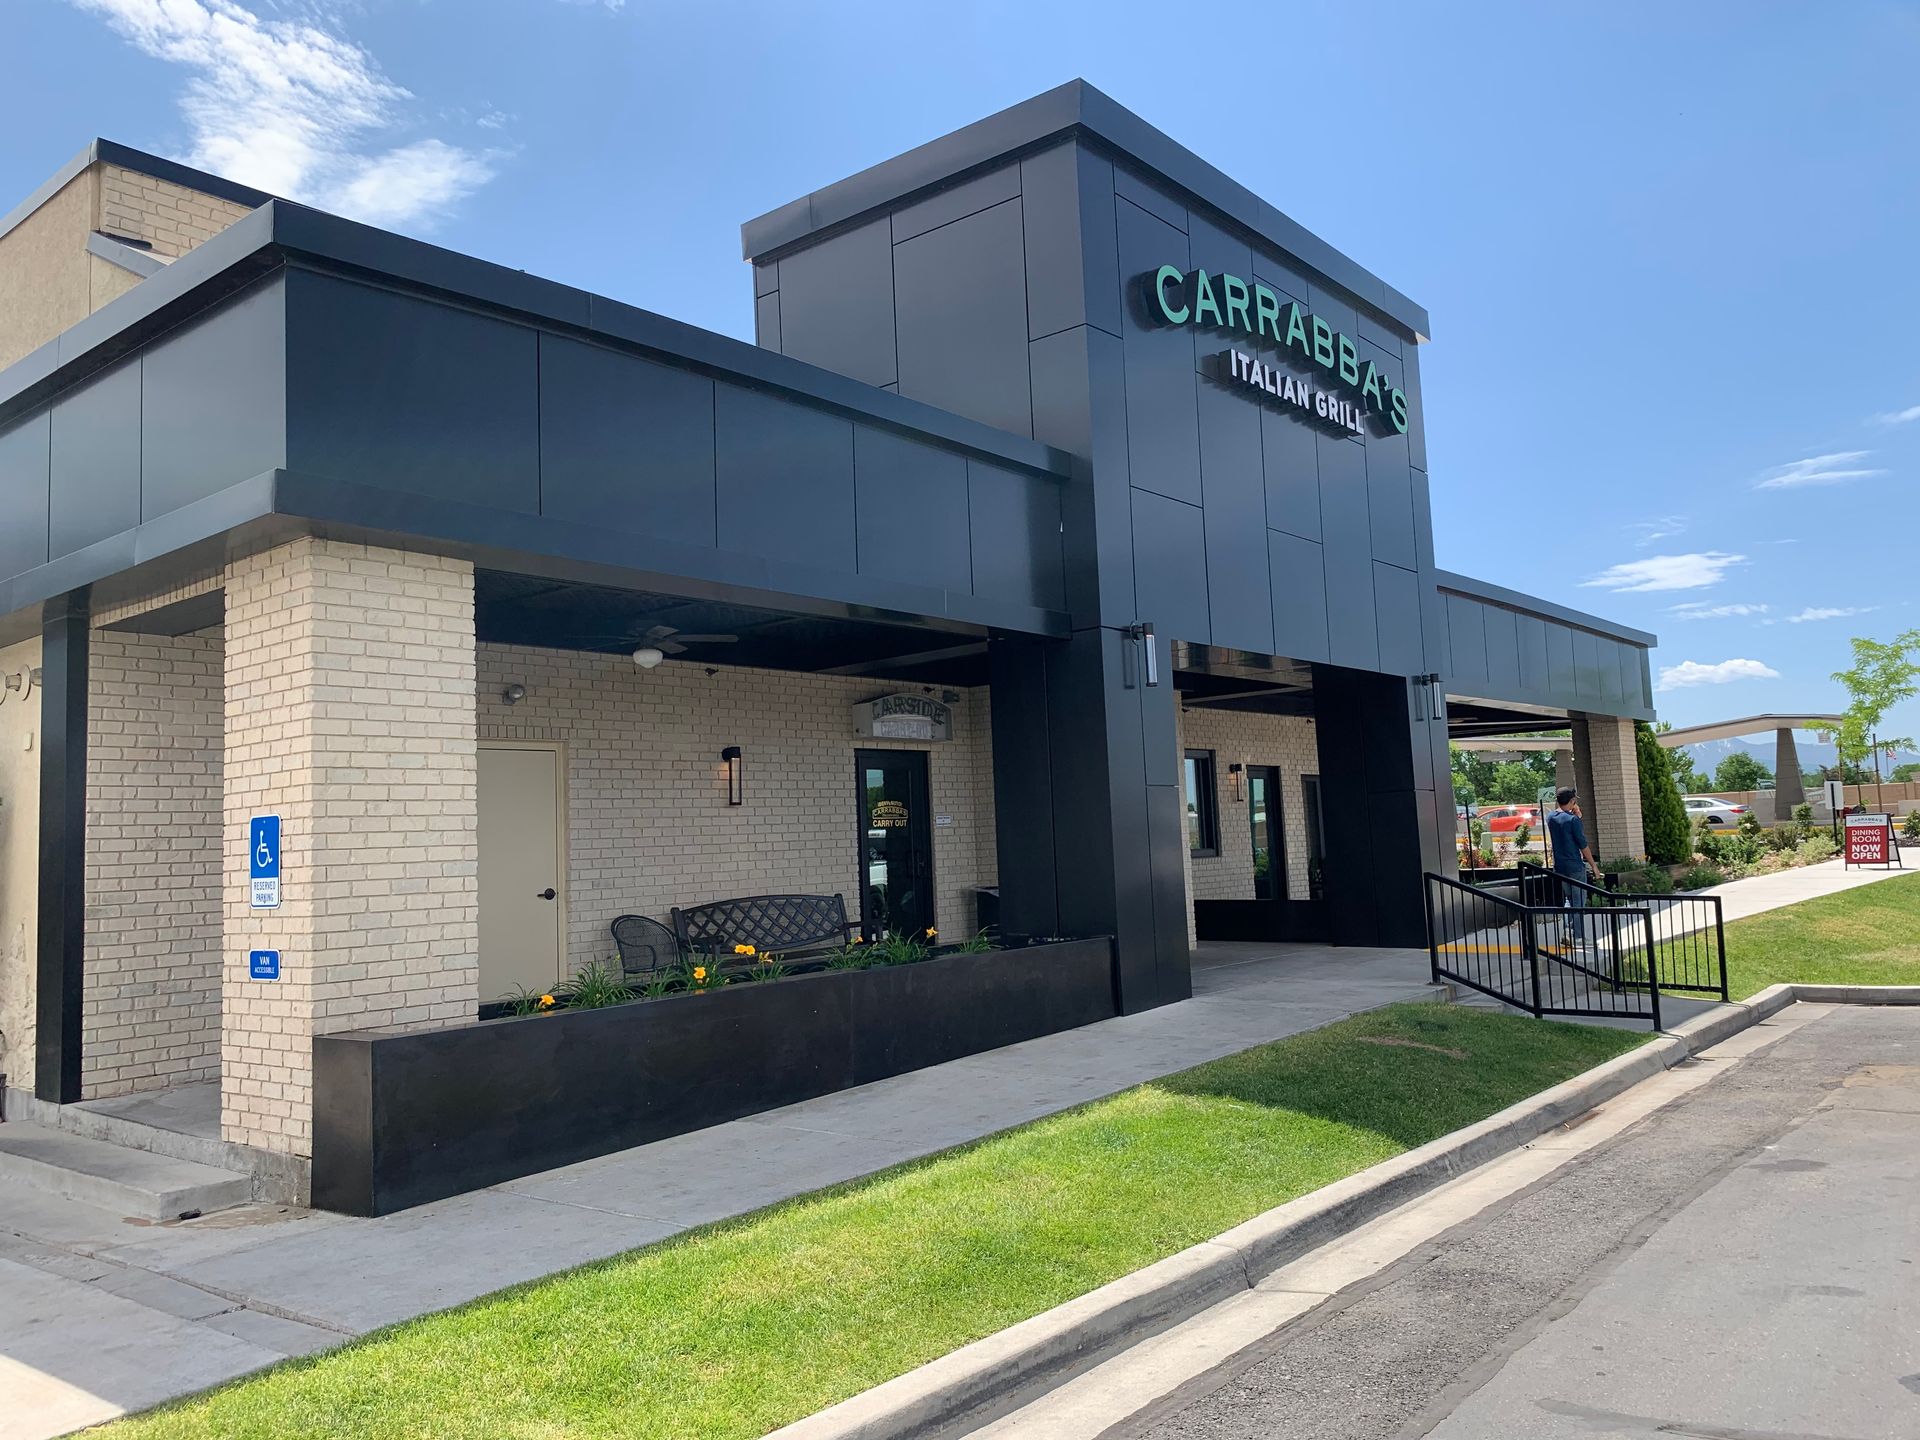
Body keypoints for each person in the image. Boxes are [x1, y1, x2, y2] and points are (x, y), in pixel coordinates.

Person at [1547, 788, 1598, 944]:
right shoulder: (1572, 820)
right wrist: (1594, 866)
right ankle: (1578, 936)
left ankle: (1568, 931)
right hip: (1575, 866)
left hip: (1560, 866)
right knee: (1579, 901)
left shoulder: (1551, 817)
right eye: (1574, 801)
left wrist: (1575, 815)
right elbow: (1582, 844)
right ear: (1571, 801)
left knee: (1569, 900)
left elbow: (1564, 823)